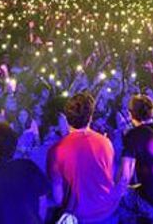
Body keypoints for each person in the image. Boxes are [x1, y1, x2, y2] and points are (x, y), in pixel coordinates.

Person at [47, 92, 119, 223]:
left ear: (66, 118)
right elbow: (110, 177)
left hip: (79, 218)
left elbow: (58, 198)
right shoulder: (106, 142)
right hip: (108, 213)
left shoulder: (56, 150)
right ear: (90, 117)